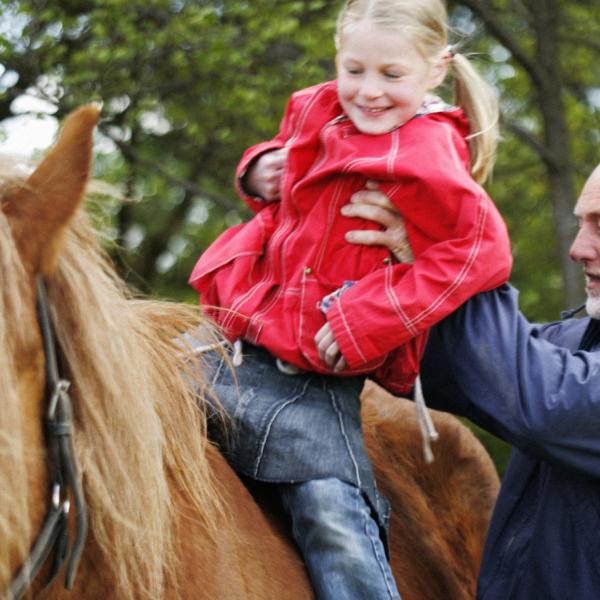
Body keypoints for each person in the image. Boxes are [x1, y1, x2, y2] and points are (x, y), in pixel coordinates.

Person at [189, 0, 512, 598]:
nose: (368, 92)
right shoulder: (318, 106)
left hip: (311, 374)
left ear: (435, 69)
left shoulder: (428, 153)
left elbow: (477, 253)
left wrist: (367, 319)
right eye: (354, 69)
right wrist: (259, 170)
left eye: (392, 76)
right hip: (231, 336)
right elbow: (283, 160)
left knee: (329, 514)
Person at [343, 164, 600, 599]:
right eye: (581, 223)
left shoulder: (557, 370)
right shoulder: (572, 342)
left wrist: (451, 256)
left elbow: (541, 403)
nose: (578, 248)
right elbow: (454, 369)